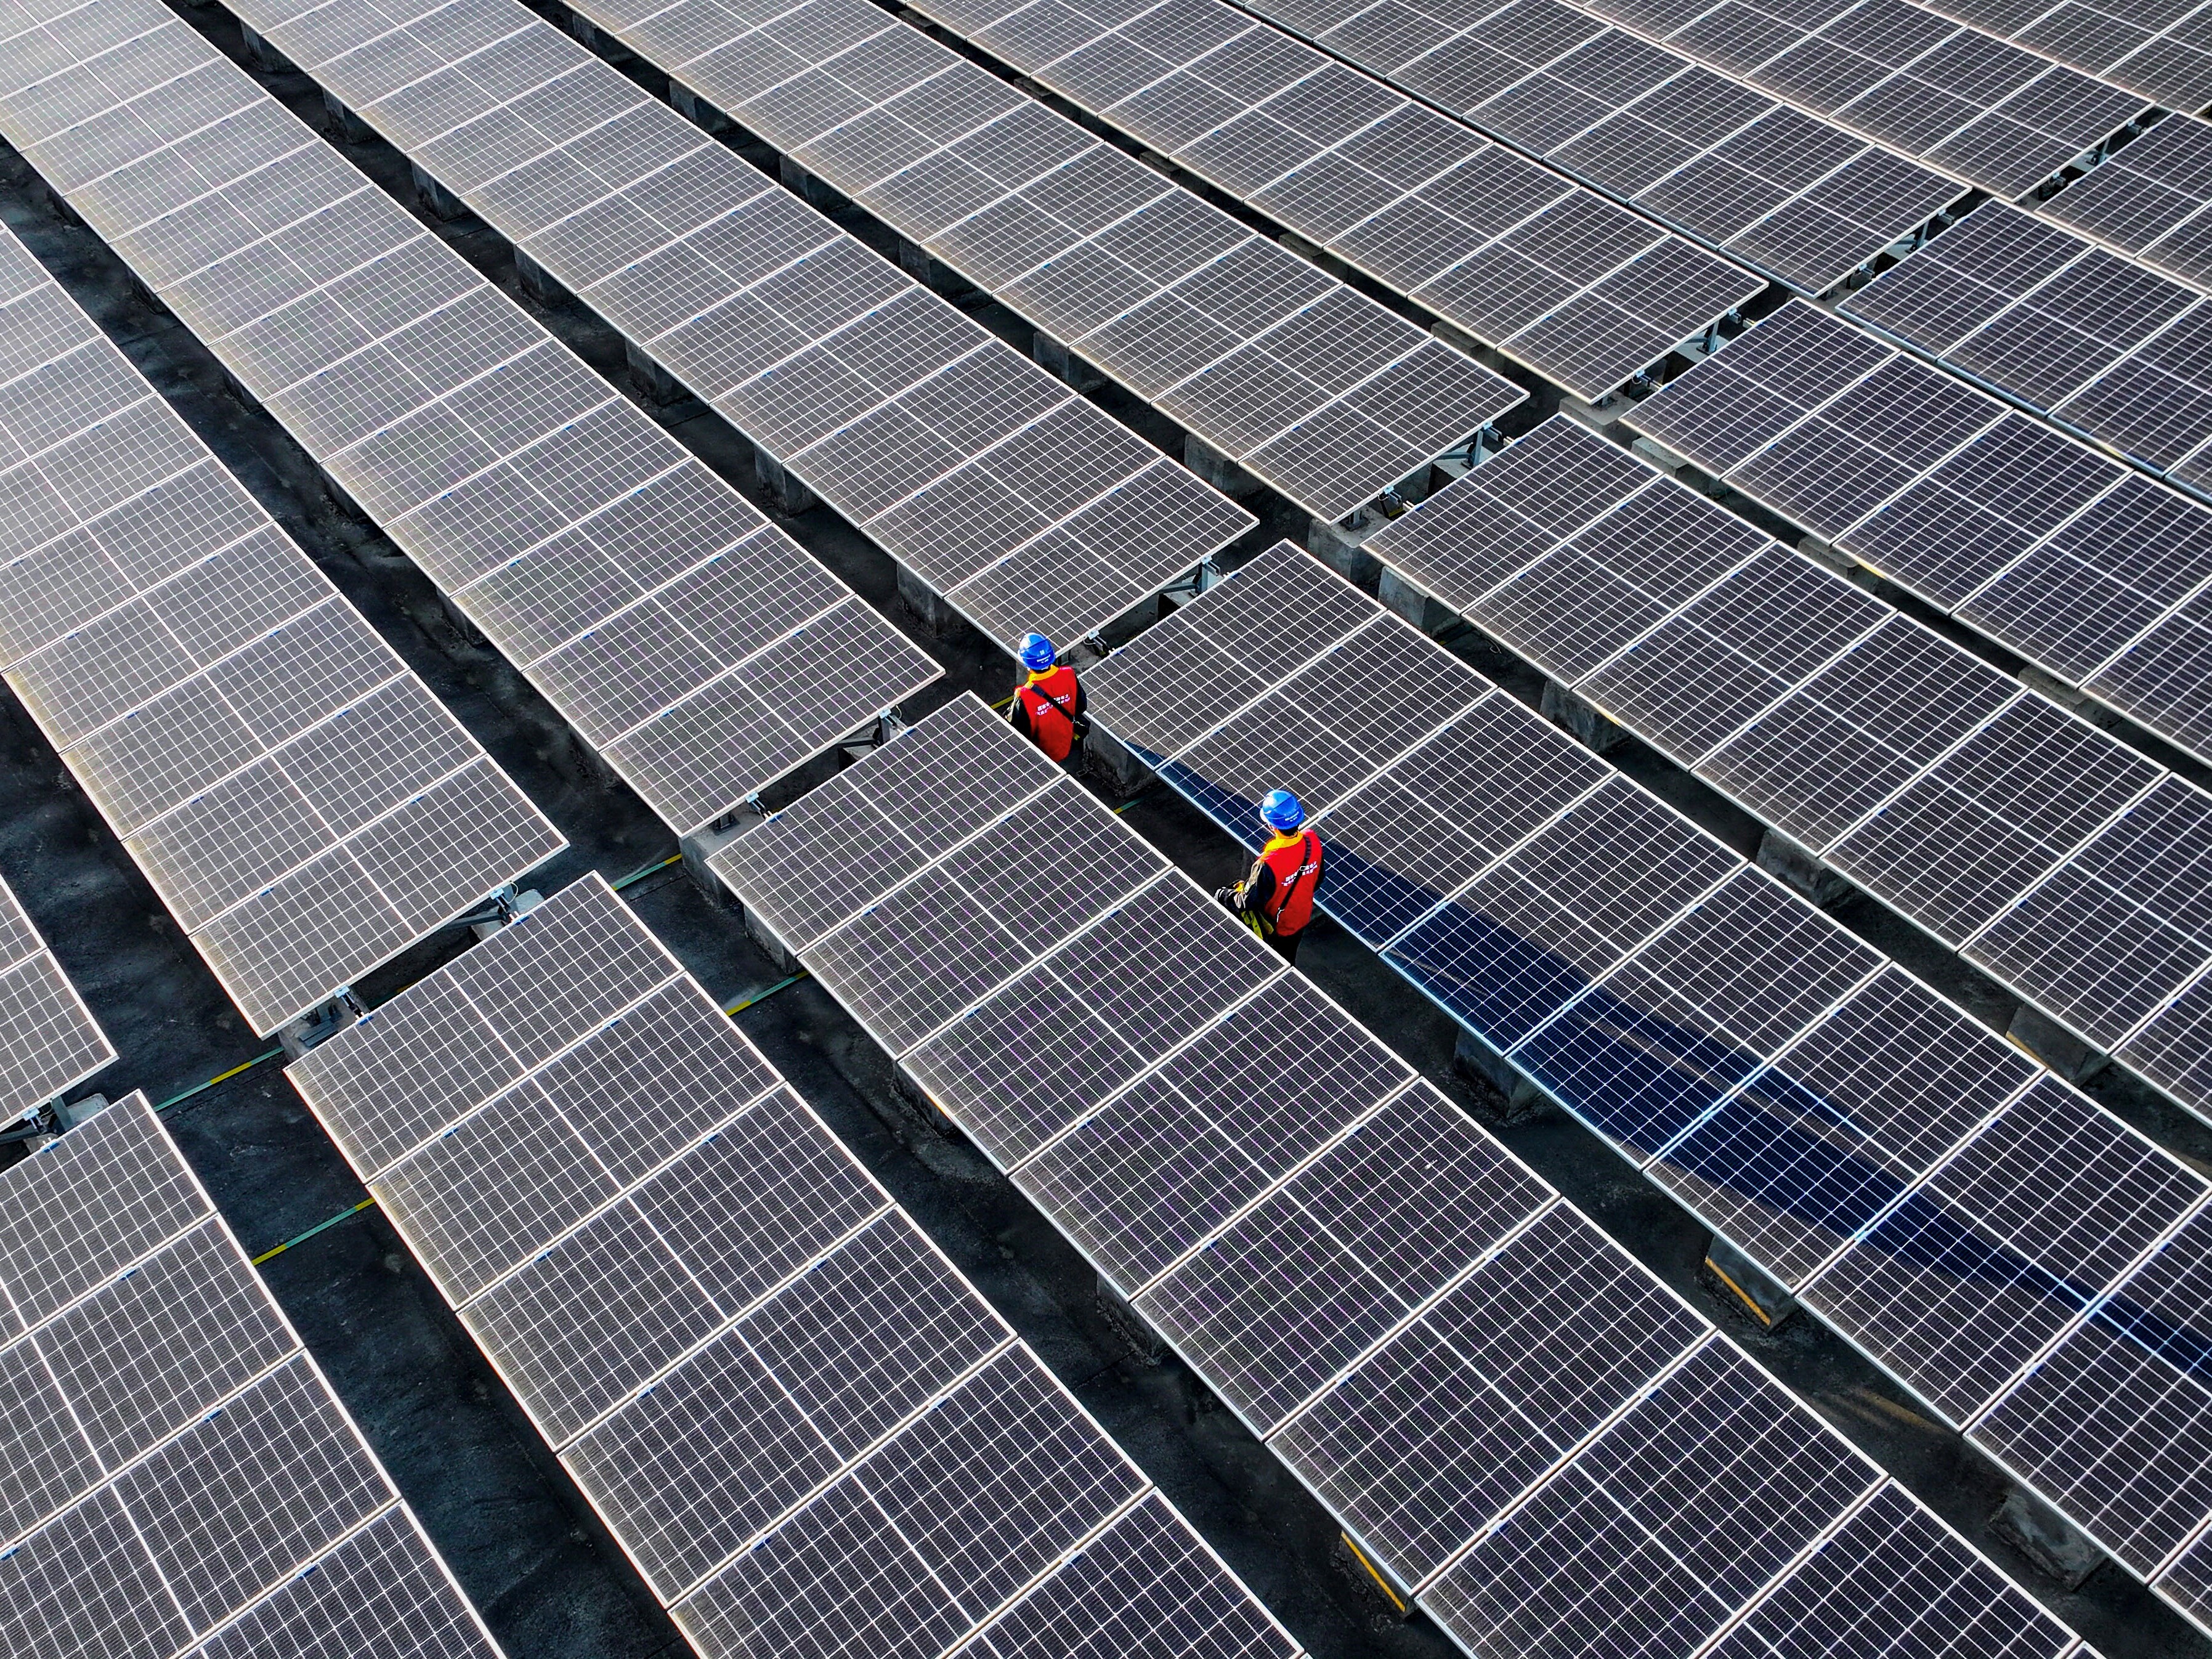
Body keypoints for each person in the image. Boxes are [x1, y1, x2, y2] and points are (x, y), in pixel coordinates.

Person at [1217, 789, 1323, 965]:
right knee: (1290, 959)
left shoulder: (1268, 862)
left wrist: (1224, 896)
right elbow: (1318, 880)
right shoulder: (1312, 840)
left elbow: (1247, 901)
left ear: (1272, 826)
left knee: (1277, 964)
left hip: (1278, 927)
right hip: (1301, 917)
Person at [1008, 631, 1086, 763]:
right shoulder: (1069, 675)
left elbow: (1017, 731)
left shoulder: (1024, 695)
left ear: (1027, 665)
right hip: (1066, 747)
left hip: (1040, 758)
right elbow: (1081, 706)